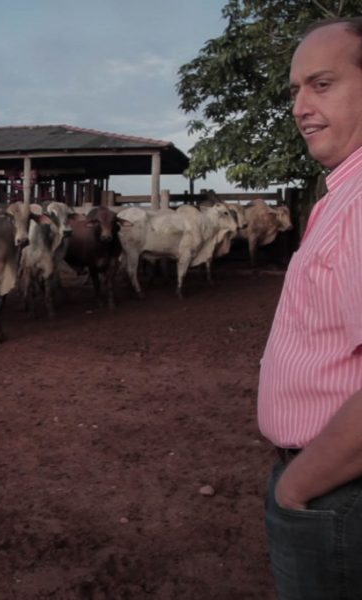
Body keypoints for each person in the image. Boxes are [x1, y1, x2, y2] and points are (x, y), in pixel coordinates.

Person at [258, 17, 362, 599]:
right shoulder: (342, 193)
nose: (300, 107)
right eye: (295, 90)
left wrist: (297, 487)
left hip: (337, 493)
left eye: (322, 85)